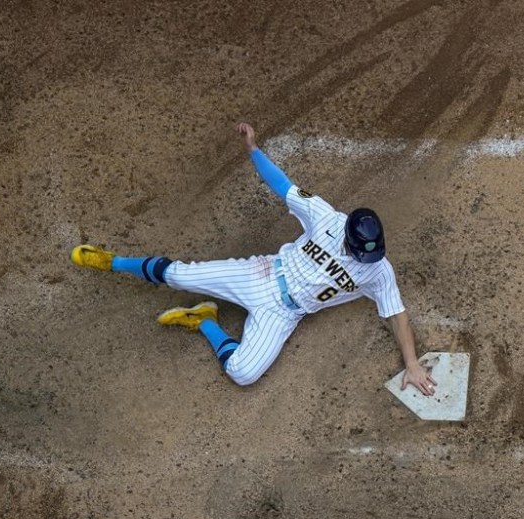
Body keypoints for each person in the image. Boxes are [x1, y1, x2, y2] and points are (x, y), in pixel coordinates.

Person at [70, 122, 436, 395]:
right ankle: (113, 261)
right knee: (178, 275)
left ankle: (205, 321)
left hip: (283, 314)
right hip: (260, 274)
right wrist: (254, 149)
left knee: (243, 373)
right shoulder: (327, 218)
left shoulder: (379, 271)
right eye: (362, 251)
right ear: (349, 237)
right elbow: (284, 186)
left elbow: (397, 314)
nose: (367, 259)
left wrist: (412, 363)